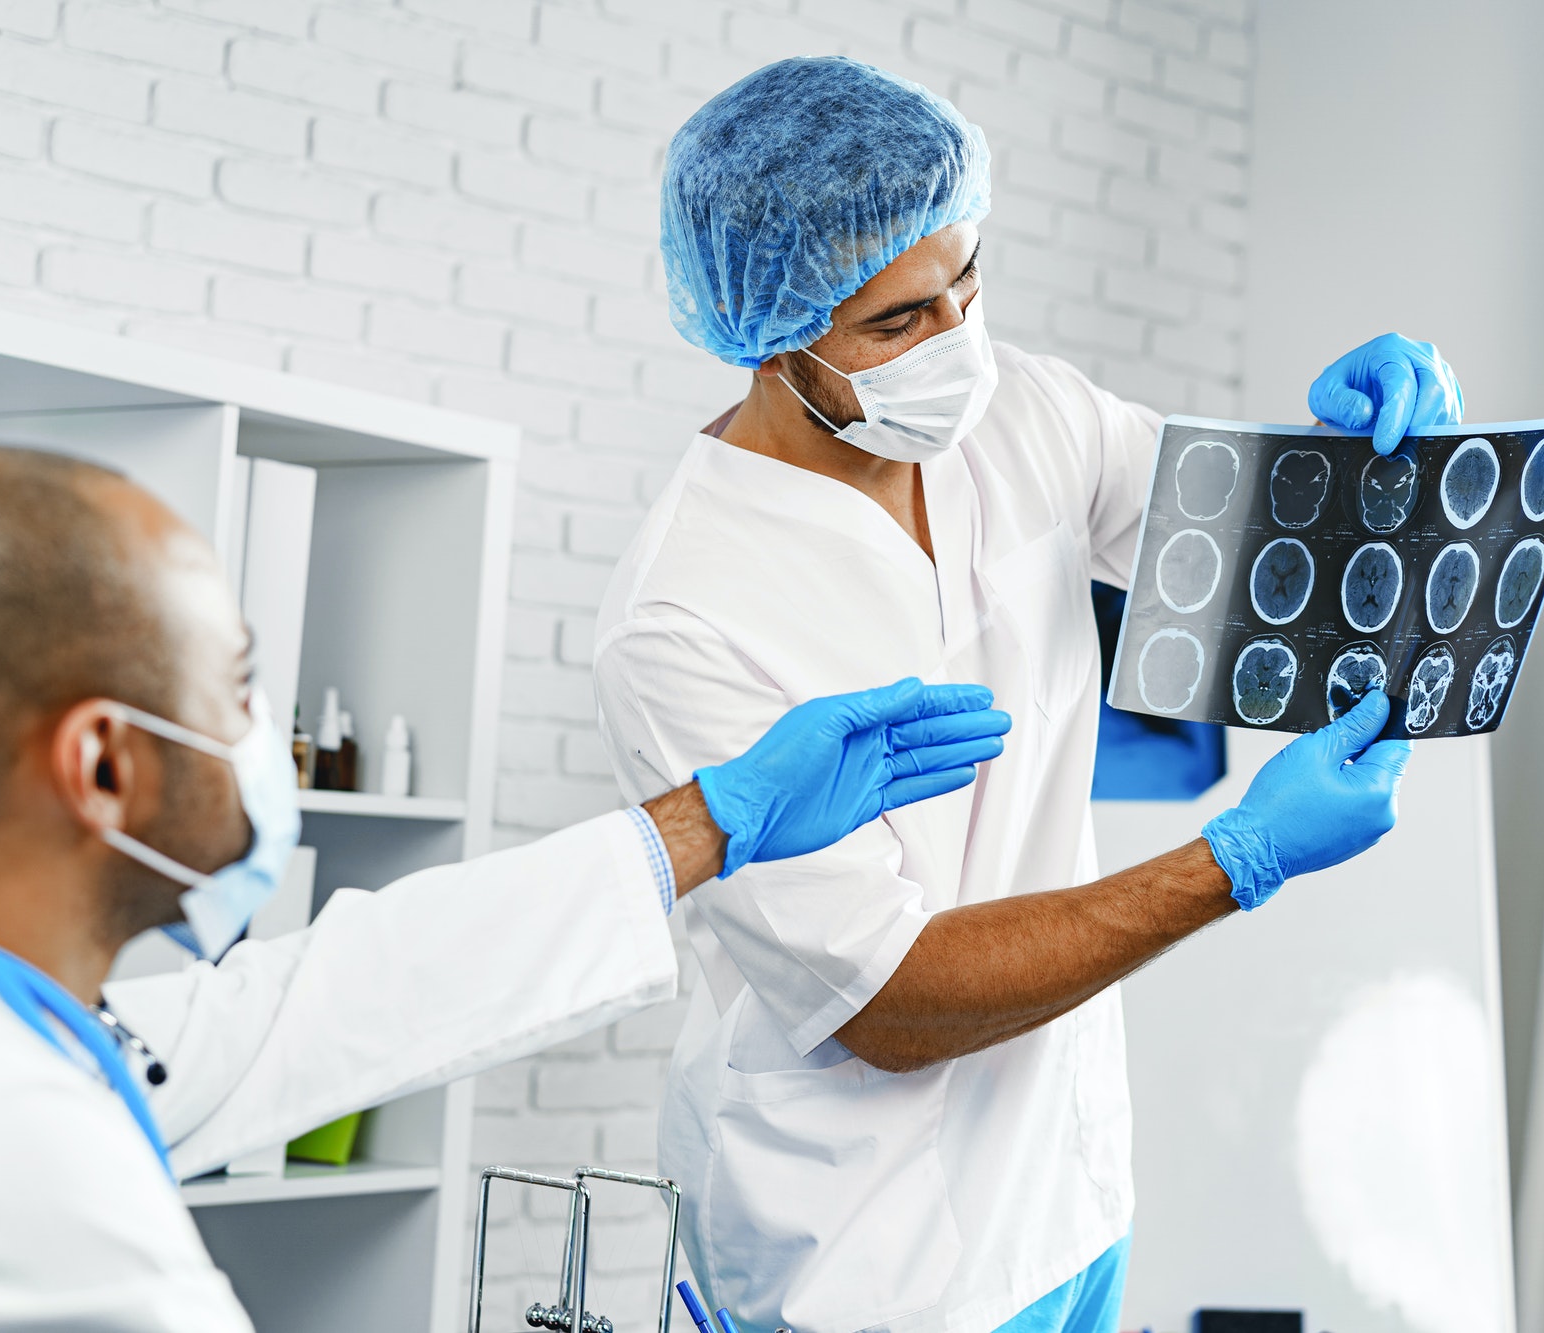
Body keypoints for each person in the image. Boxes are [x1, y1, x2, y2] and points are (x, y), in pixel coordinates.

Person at [594, 57, 1459, 1333]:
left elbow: (1256, 552)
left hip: (1066, 1195)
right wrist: (1238, 858)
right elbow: (885, 1000)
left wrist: (1371, 457)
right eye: (896, 324)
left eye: (969, 281)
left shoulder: (1027, 418)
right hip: (860, 1257)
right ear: (772, 341)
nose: (956, 346)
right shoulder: (683, 618)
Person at [0, 446, 1011, 1330]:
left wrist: (706, 823)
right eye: (237, 688)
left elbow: (321, 1002)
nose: (263, 731)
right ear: (104, 764)